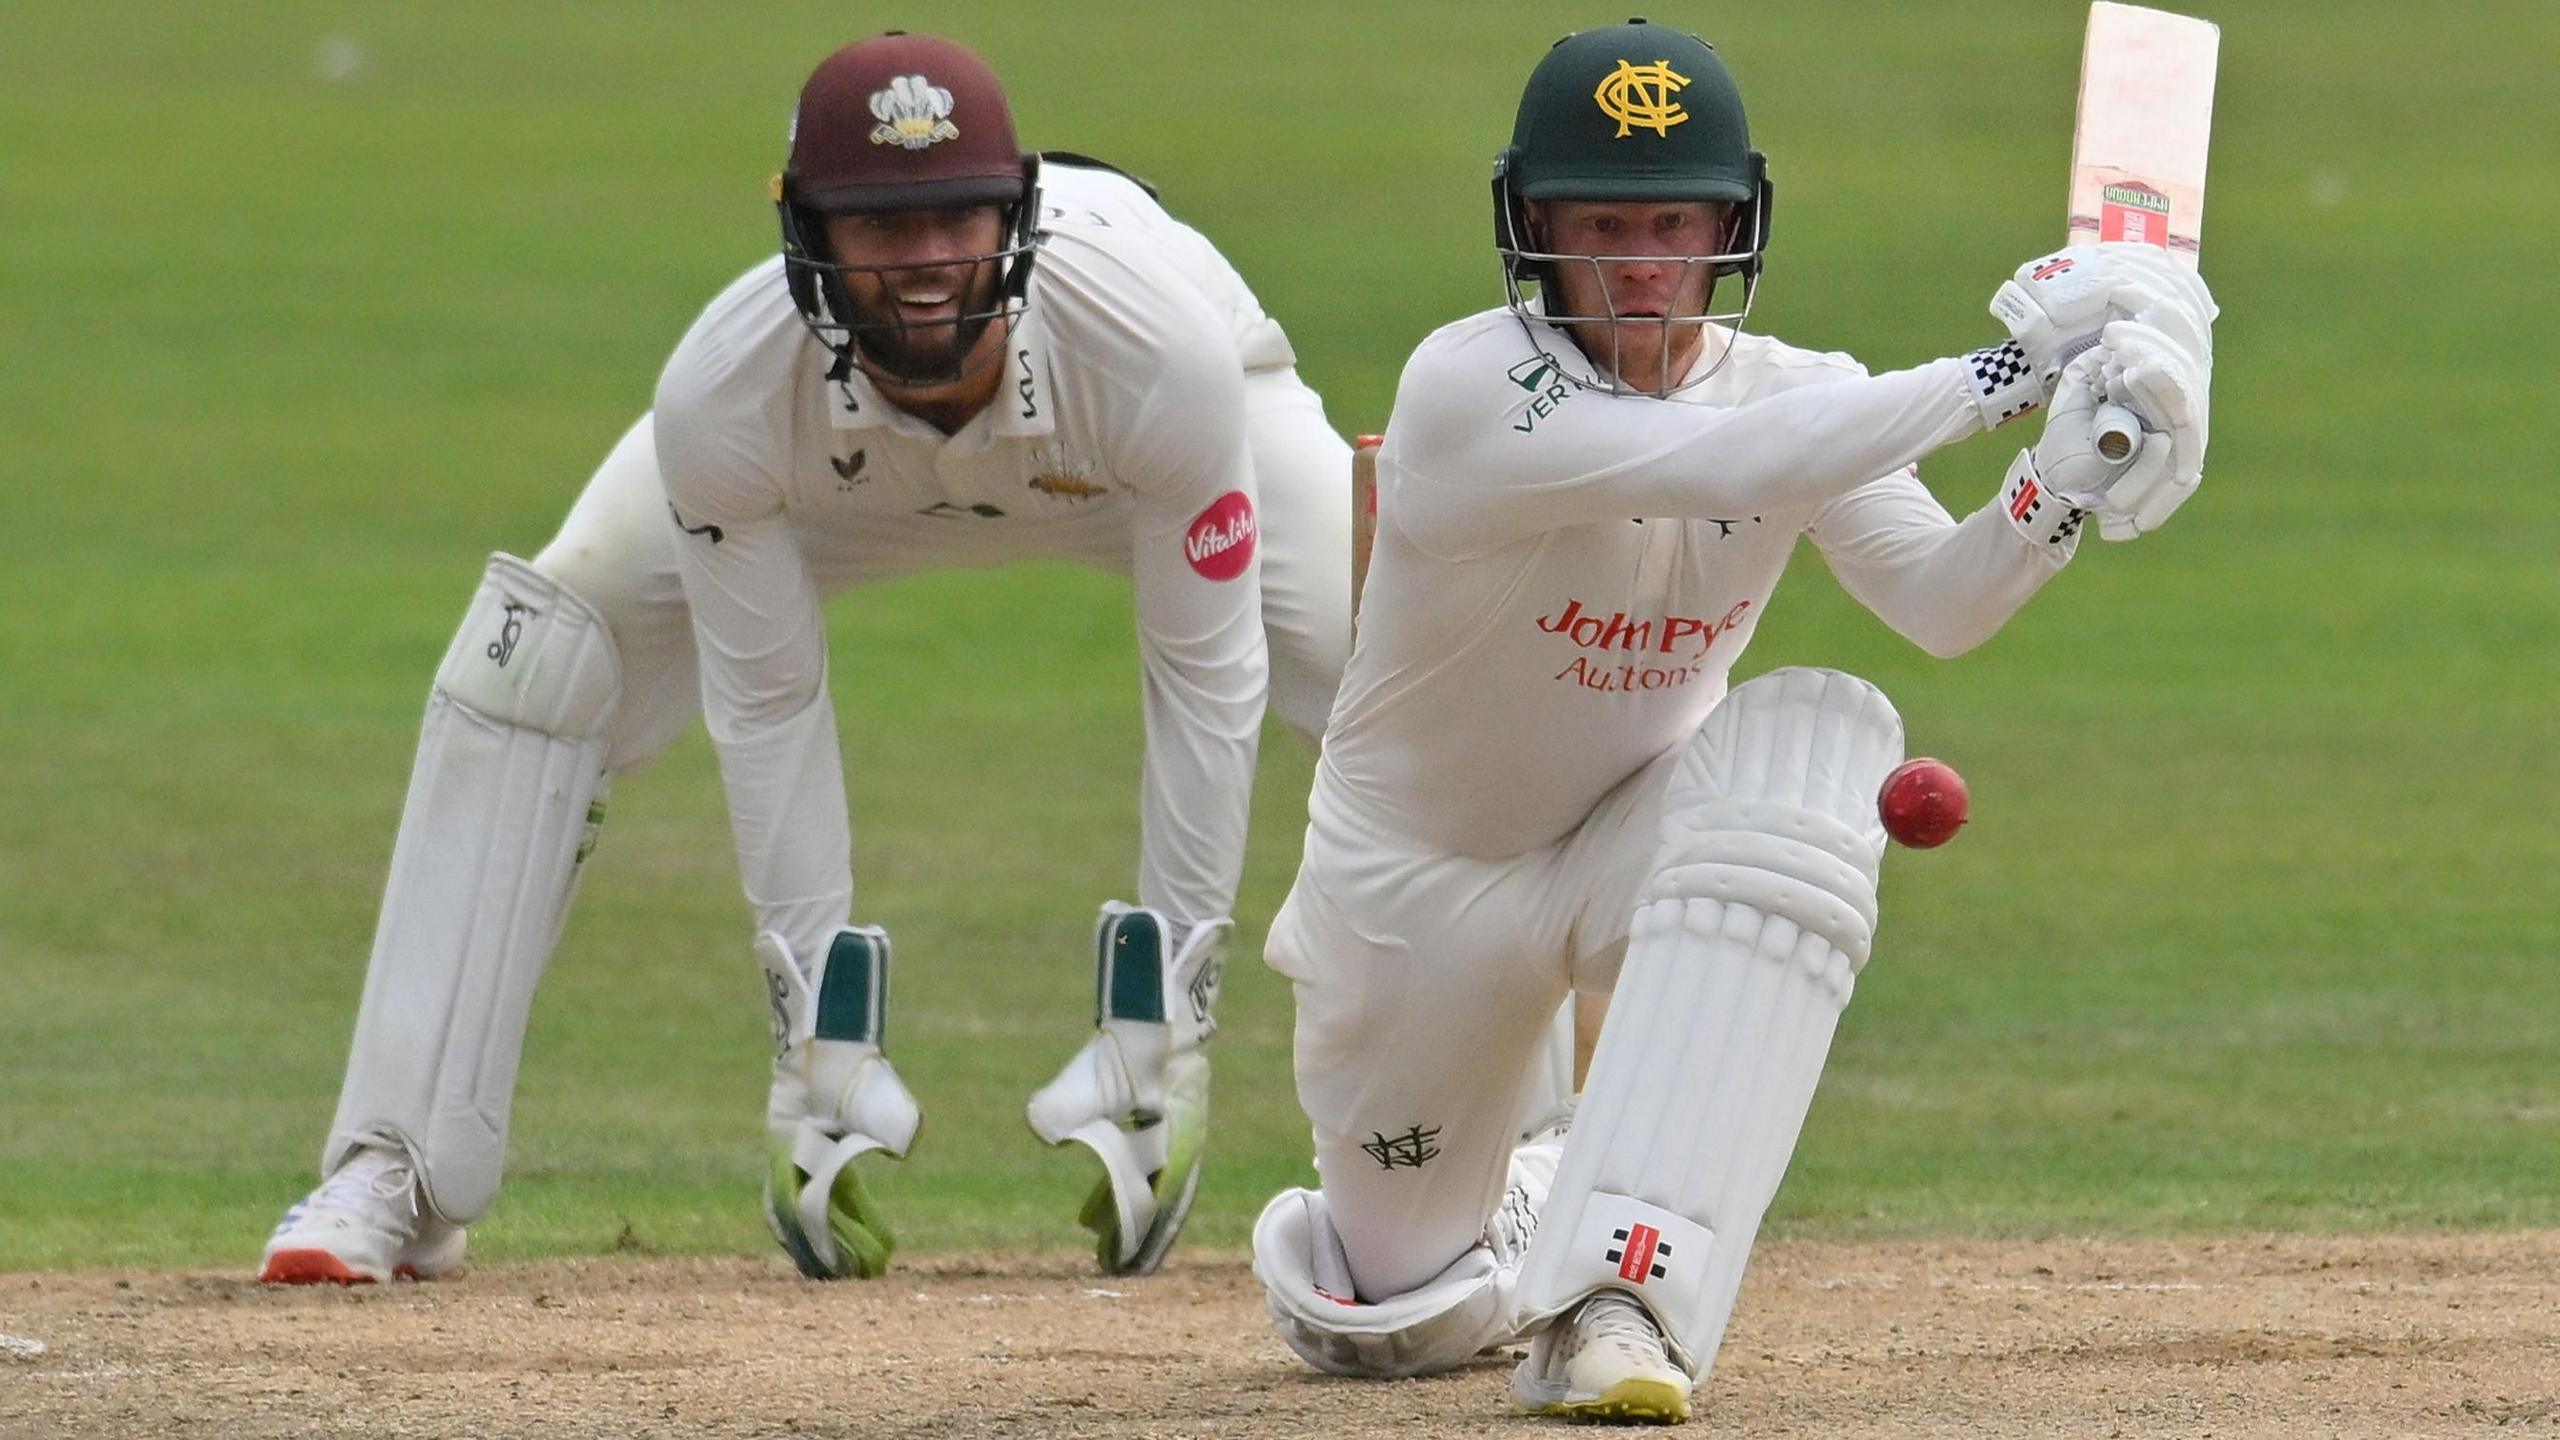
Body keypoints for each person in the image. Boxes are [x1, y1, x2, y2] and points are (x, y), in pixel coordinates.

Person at [260, 31, 1353, 1286]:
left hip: (1133, 442)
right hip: (826, 469)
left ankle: (1497, 1166)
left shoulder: (1158, 346)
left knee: (1396, 665)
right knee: (540, 656)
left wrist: (1162, 1037)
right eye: (882, 229)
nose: (928, 265)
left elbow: (1202, 683)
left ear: (1020, 215)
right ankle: (390, 1167)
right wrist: (813, 1060)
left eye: (959, 220)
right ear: (808, 239)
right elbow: (769, 702)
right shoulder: (726, 391)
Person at [1246, 19, 2214, 1425]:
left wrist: (2062, 479)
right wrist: (2014, 372)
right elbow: (1726, 455)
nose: (1642, 259)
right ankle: (1518, 1197)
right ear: (1531, 226)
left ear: (1733, 226)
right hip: (1417, 888)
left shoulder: (1810, 395)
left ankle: (1618, 1296)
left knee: (1816, 761)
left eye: (1676, 219)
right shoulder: (1469, 392)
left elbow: (1943, 603)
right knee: (1399, 1315)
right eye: (1602, 221)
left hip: (1638, 839)